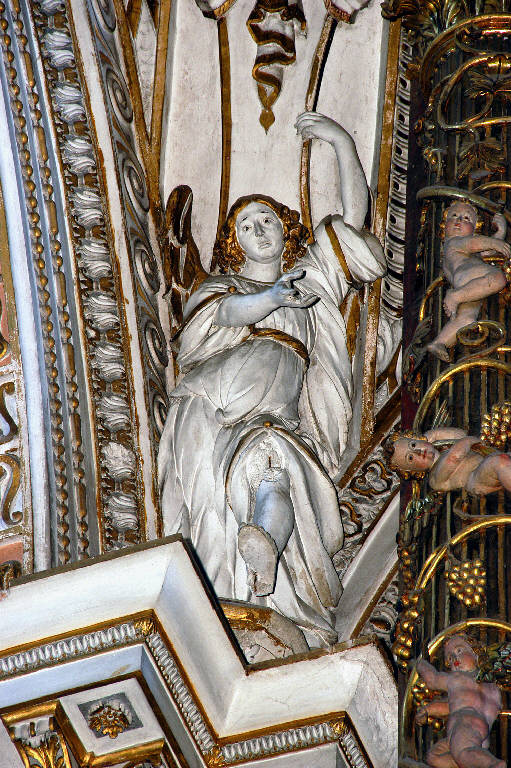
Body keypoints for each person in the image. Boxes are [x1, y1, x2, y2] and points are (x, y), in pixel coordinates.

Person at [158, 112, 385, 647]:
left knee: (276, 468)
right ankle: (219, 596)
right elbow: (222, 316)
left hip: (276, 404)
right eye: (245, 226)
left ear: (286, 227)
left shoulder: (311, 277)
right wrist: (273, 297)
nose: (258, 230)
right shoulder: (224, 287)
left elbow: (353, 219)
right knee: (210, 505)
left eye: (266, 219)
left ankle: (263, 548)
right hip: (215, 398)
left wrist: (341, 141)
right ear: (235, 244)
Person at [427, 201, 510, 362]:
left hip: (468, 283)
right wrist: (496, 243)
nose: (459, 220)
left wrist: (500, 232)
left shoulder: (458, 249)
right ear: (444, 225)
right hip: (469, 276)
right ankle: (455, 296)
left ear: (474, 227)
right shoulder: (455, 241)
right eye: (454, 216)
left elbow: (485, 252)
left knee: (466, 319)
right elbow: (474, 243)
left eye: (466, 218)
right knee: (499, 278)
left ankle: (440, 342)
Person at [415, 634, 504, 768]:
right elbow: (451, 706)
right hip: (478, 731)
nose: (455, 659)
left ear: (476, 653)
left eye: (460, 651)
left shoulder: (457, 678)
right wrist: (426, 711)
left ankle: (494, 765)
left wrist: (419, 663)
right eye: (450, 658)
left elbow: (432, 679)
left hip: (464, 723)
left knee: (462, 753)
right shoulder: (490, 684)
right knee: (433, 756)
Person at [384, 427, 511, 496]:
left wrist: (432, 436)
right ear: (413, 471)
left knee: (502, 460)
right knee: (499, 462)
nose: (418, 452)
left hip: (486, 458)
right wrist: (469, 441)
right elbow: (453, 458)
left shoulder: (444, 449)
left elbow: (460, 434)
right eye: (410, 458)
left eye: (413, 444)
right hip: (476, 479)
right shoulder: (434, 478)